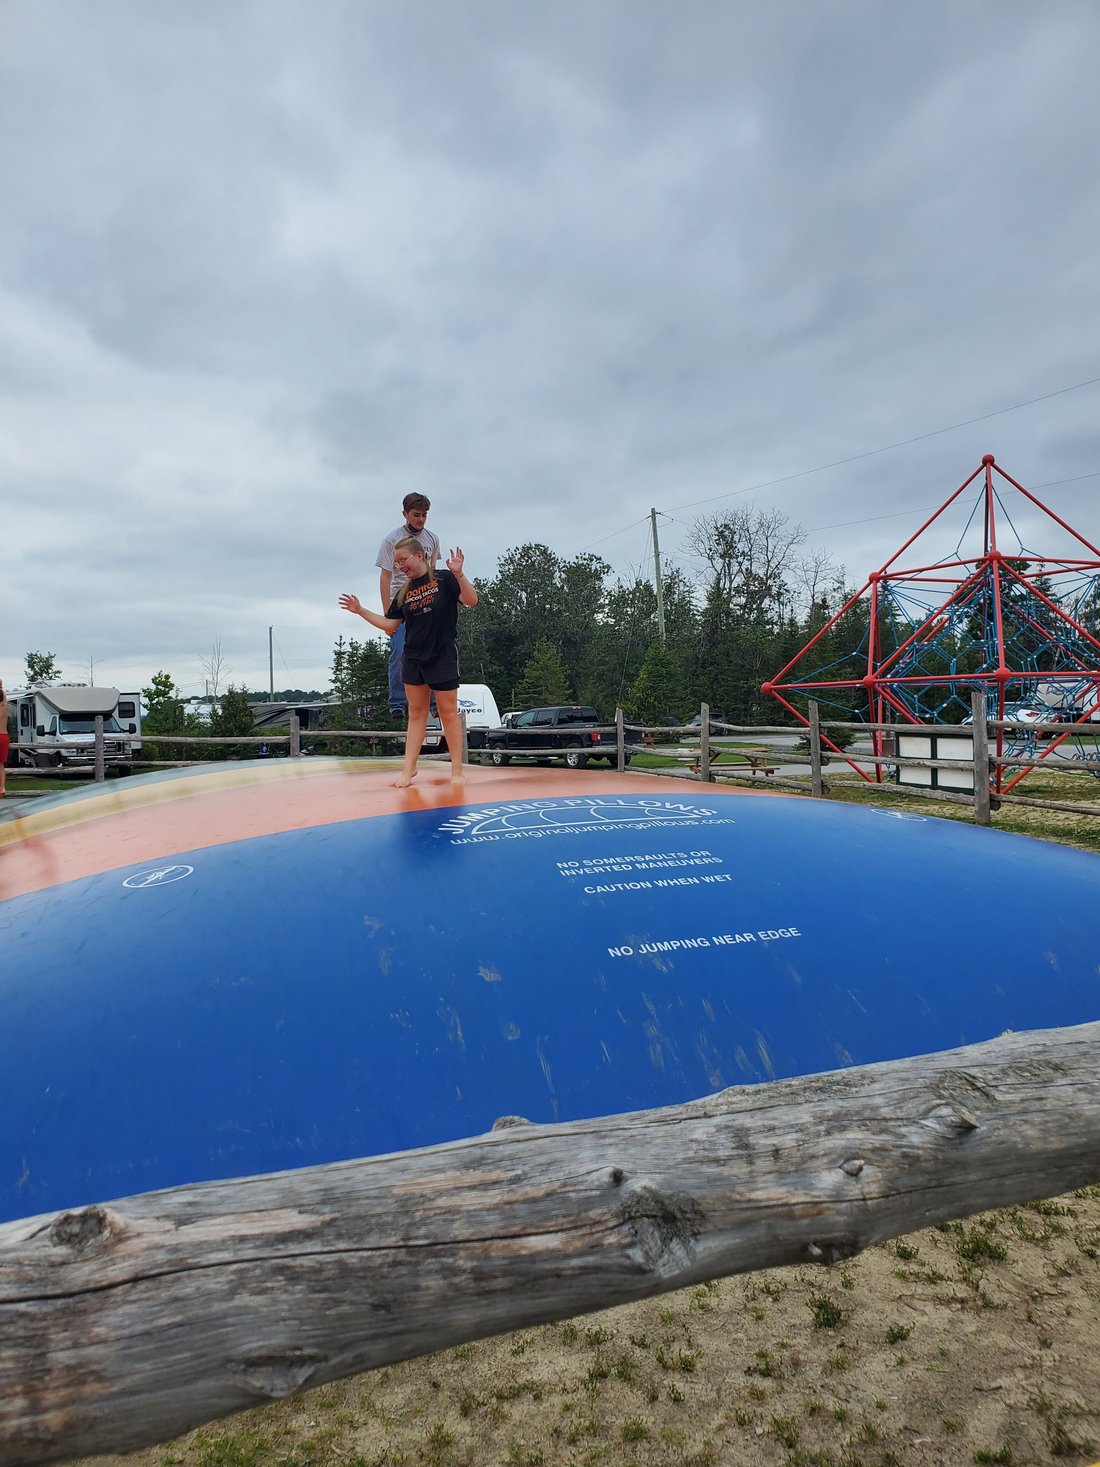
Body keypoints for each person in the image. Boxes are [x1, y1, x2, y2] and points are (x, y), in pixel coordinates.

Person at [340, 540, 477, 787]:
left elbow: (471, 600)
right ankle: (408, 769)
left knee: (447, 712)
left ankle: (457, 769)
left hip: (442, 653)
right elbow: (390, 626)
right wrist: (361, 611)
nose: (401, 566)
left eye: (404, 560)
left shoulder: (445, 579)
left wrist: (460, 573)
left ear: (420, 555)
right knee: (416, 714)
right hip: (413, 657)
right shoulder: (403, 592)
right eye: (397, 563)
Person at [375, 494, 441, 717]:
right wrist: (386, 615)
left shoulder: (432, 539)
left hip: (425, 598)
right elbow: (385, 577)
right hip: (401, 602)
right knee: (401, 650)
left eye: (424, 515)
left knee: (433, 650)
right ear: (405, 514)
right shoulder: (391, 540)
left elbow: (432, 573)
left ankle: (435, 702)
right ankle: (397, 702)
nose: (421, 519)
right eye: (416, 515)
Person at [0, 680, 9, 797]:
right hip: (4, 736)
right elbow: (4, 699)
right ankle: (2, 787)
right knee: (1, 764)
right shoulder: (4, 708)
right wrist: (1, 688)